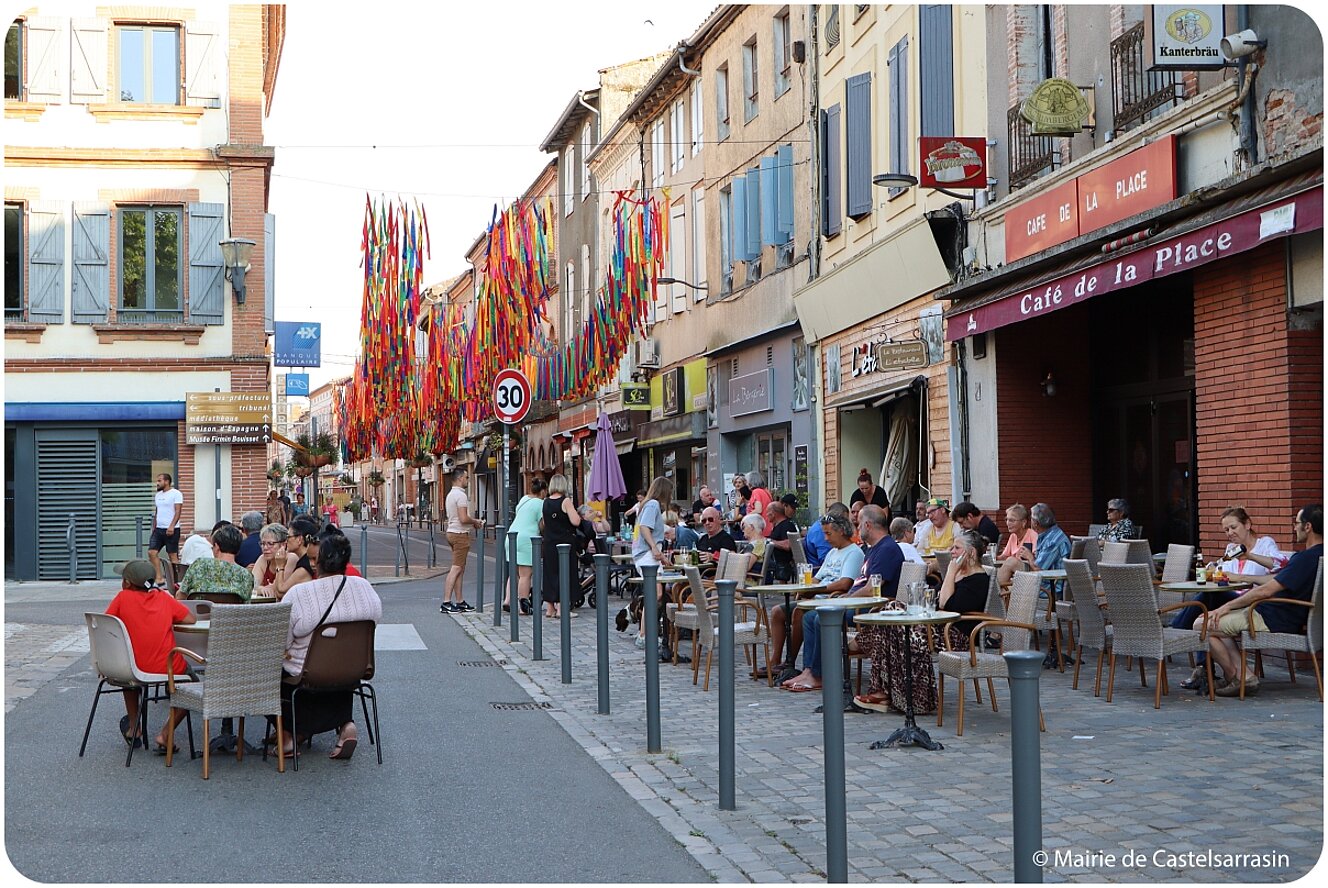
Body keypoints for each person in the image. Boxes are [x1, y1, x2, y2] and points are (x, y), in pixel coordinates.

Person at [854, 530, 990, 714]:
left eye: (957, 548)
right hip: (936, 626)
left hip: (955, 635)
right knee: (890, 612)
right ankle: (883, 692)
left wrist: (949, 572)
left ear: (971, 553)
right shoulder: (958, 573)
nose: (952, 551)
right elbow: (933, 597)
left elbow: (946, 605)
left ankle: (914, 699)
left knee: (906, 633)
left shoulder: (978, 580)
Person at [271, 533, 382, 759]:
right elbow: (374, 621)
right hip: (352, 671)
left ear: (317, 562)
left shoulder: (300, 594)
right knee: (335, 666)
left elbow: (282, 642)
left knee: (269, 670)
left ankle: (288, 735)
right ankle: (345, 725)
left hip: (307, 674)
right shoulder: (365, 588)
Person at [1198, 505, 1323, 697]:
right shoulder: (1319, 556)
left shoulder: (1305, 558)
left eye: (1296, 523)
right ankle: (1239, 675)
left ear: (1308, 527)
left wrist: (1226, 607)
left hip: (1272, 617)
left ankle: (1241, 678)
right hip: (1290, 616)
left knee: (1202, 624)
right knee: (1216, 626)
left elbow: (1265, 591)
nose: (1293, 527)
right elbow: (1272, 582)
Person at [782, 505, 904, 692]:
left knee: (819, 616)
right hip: (858, 601)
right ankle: (810, 671)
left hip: (874, 606)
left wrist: (846, 599)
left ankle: (819, 674)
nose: (856, 527)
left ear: (868, 525)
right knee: (808, 616)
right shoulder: (873, 549)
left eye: (859, 523)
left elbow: (872, 589)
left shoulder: (887, 549)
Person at [1177, 507, 1291, 689]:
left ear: (1247, 524)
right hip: (1231, 600)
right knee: (1208, 603)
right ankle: (1205, 668)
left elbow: (1282, 565)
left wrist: (1249, 556)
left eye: (1233, 527)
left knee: (1208, 600)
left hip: (1252, 602)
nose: (1229, 533)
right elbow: (1222, 569)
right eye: (1226, 530)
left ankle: (1178, 630)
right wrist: (1214, 569)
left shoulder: (1265, 543)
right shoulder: (1231, 548)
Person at [105, 559, 196, 750]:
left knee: (129, 680)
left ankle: (134, 727)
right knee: (193, 687)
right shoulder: (163, 598)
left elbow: (107, 625)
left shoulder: (122, 598)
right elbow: (190, 618)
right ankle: (165, 733)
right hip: (167, 667)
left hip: (132, 668)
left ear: (127, 583)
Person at [764, 512, 863, 680]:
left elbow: (845, 584)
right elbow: (818, 577)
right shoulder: (832, 552)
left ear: (841, 531)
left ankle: (791, 663)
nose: (825, 538)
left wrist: (815, 590)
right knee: (777, 611)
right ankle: (776, 660)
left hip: (831, 599)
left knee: (800, 612)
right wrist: (806, 587)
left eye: (828, 533)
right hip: (818, 597)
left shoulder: (854, 553)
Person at [630, 477, 672, 651]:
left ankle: (644, 632)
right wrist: (655, 549)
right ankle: (644, 633)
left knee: (654, 593)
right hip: (647, 555)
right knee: (656, 593)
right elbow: (646, 528)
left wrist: (661, 555)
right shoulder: (653, 504)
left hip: (646, 554)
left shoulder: (647, 505)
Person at [176, 523, 254, 601]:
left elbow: (181, 596)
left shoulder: (199, 565)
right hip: (230, 613)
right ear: (238, 550)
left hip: (200, 612)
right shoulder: (246, 575)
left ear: (216, 547)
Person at [543, 474, 585, 620]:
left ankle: (549, 608)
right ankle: (562, 608)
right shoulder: (565, 501)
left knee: (550, 574)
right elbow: (576, 521)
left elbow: (543, 523)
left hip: (548, 543)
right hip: (564, 544)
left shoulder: (546, 502)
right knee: (565, 573)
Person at [442, 468, 483, 614]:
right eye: (466, 477)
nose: (468, 480)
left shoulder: (450, 494)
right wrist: (475, 522)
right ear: (460, 478)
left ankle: (460, 601)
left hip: (452, 532)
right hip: (460, 534)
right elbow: (463, 518)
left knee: (460, 569)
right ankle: (446, 602)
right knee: (457, 568)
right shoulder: (461, 496)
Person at [507, 478, 547, 616]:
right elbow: (542, 525)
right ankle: (523, 606)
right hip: (526, 539)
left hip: (511, 536)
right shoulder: (541, 503)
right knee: (526, 574)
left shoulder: (524, 499)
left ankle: (507, 601)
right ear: (543, 491)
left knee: (515, 573)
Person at [148, 472, 183, 589]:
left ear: (167, 481)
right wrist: (154, 528)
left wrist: (172, 526)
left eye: (159, 481)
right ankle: (159, 578)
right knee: (152, 553)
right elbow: (157, 512)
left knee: (172, 555)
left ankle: (176, 582)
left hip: (172, 529)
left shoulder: (176, 494)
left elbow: (178, 511)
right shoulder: (157, 495)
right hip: (159, 530)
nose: (157, 483)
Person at [273, 516, 320, 600]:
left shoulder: (304, 567)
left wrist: (280, 566)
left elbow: (280, 593)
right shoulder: (302, 560)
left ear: (299, 539)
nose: (286, 541)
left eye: (288, 537)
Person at [996, 504, 1040, 586]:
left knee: (1011, 561)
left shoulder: (1033, 535)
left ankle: (994, 591)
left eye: (1012, 520)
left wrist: (1029, 555)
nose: (1008, 523)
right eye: (1007, 520)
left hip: (1030, 574)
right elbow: (1004, 556)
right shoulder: (1013, 536)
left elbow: (1037, 560)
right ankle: (996, 590)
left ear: (1023, 522)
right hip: (1016, 576)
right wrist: (991, 556)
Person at [251, 523, 295, 597]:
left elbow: (278, 588)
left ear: (283, 545)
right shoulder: (263, 559)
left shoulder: (291, 558)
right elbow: (251, 585)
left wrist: (260, 588)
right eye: (263, 543)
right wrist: (261, 589)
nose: (265, 547)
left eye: (270, 544)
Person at [802, 502, 848, 570]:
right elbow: (825, 560)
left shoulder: (819, 525)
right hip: (819, 571)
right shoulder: (821, 531)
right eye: (844, 521)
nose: (846, 524)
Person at [764, 501, 797, 583]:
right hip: (775, 562)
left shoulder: (786, 525)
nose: (766, 515)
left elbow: (788, 545)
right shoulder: (777, 526)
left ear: (773, 514)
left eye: (767, 512)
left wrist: (769, 541)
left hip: (783, 564)